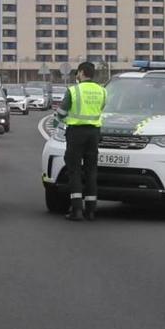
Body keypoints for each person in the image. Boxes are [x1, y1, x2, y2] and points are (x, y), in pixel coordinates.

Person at [55, 62, 107, 221]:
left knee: (74, 170)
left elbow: (62, 112)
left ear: (82, 72)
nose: (76, 75)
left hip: (76, 133)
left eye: (77, 72)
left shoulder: (74, 90)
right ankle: (91, 210)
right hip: (94, 133)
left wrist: (57, 120)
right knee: (91, 171)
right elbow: (101, 109)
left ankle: (77, 209)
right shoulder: (102, 91)